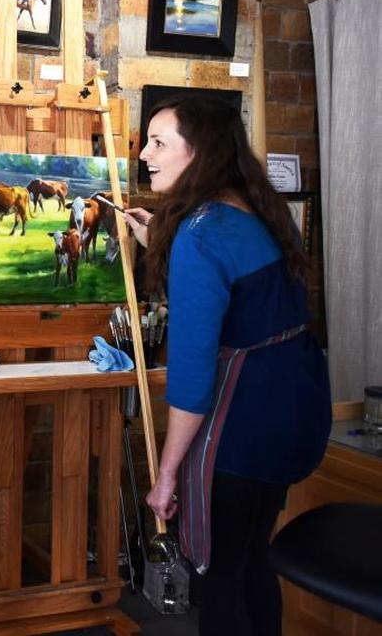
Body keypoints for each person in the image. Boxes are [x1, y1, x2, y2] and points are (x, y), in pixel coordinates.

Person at [123, 96, 330, 636]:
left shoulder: (200, 232)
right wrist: (162, 242)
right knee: (250, 559)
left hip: (246, 425)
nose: (145, 153)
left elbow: (192, 381)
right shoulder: (243, 208)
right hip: (295, 410)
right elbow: (240, 292)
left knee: (218, 577)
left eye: (159, 142)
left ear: (200, 153)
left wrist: (166, 475)